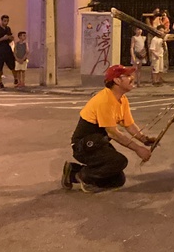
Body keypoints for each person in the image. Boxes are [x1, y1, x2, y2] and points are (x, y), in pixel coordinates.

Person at [62, 65, 155, 193]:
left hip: (98, 143)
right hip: (83, 146)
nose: (132, 78)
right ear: (117, 80)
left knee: (118, 180)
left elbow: (129, 125)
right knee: (119, 161)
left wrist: (144, 139)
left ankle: (73, 170)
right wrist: (138, 149)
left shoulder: (122, 99)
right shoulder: (104, 100)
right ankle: (80, 176)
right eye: (128, 76)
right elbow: (113, 133)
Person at [0, 15, 16, 89]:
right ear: (1, 21)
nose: (6, 22)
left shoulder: (8, 29)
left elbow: (10, 39)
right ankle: (0, 83)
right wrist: (3, 38)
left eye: (7, 21)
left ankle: (16, 79)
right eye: (4, 21)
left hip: (7, 49)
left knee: (12, 65)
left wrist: (10, 38)